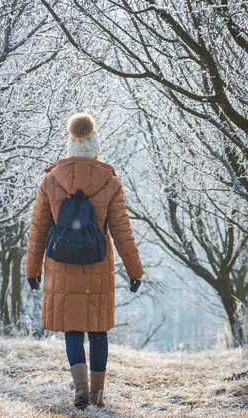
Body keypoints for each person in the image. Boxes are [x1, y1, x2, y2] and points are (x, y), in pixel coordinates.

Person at [25, 113, 144, 409]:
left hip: (60, 266)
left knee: (73, 329)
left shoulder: (51, 180)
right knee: (98, 331)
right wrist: (135, 271)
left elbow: (39, 228)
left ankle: (80, 391)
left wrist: (32, 268)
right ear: (95, 148)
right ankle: (97, 396)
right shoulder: (110, 182)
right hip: (97, 267)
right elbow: (121, 232)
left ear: (70, 147)